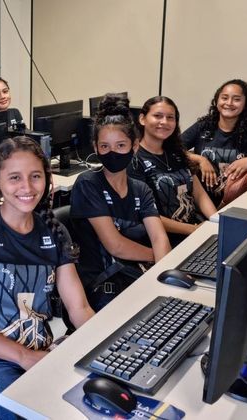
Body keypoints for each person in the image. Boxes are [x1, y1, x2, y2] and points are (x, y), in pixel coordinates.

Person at [0, 136, 94, 419]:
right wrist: (24, 357)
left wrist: (106, 347)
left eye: (35, 176)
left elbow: (79, 308)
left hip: (40, 352)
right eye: (15, 177)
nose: (27, 187)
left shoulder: (54, 231)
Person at [70, 94, 171, 311]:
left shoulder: (140, 189)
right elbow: (115, 245)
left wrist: (163, 275)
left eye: (121, 145)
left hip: (135, 276)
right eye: (104, 146)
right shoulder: (88, 184)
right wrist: (156, 256)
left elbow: (158, 236)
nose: (112, 152)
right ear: (95, 148)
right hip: (101, 287)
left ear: (134, 146)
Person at [130, 96, 217, 245]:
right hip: (166, 240)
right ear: (142, 119)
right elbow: (145, 215)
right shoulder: (134, 161)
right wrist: (194, 230)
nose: (164, 122)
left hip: (195, 231)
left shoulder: (177, 153)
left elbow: (199, 194)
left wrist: (217, 221)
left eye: (170, 117)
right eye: (157, 116)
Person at [182, 79, 247, 205]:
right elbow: (171, 150)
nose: (229, 103)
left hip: (236, 204)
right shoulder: (203, 126)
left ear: (246, 104)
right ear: (216, 100)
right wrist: (200, 159)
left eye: (236, 99)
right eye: (224, 98)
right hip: (200, 202)